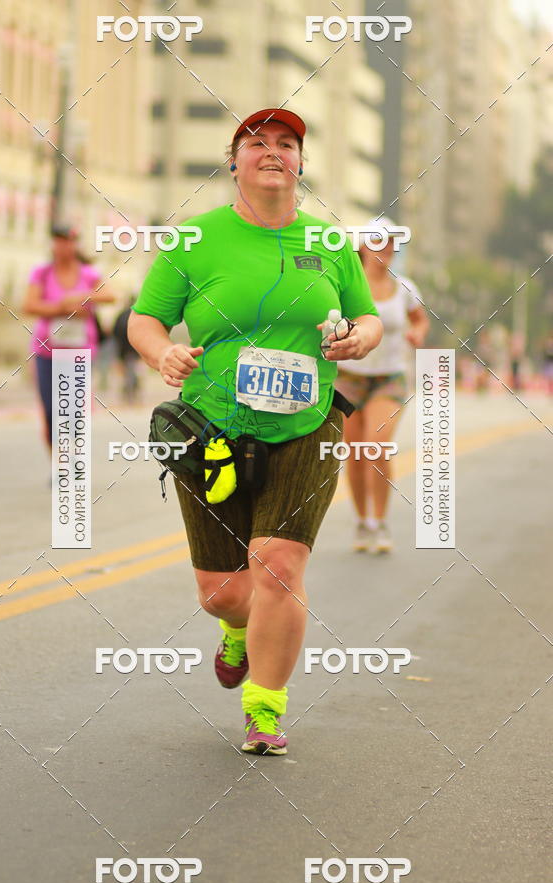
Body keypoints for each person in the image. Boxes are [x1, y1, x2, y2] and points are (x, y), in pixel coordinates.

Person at [128, 108, 383, 755]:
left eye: (287, 143)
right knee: (224, 592)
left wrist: (358, 339)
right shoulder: (195, 238)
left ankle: (264, 711)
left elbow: (368, 318)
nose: (273, 151)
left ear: (301, 163)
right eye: (257, 142)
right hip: (210, 429)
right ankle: (239, 631)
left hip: (305, 424)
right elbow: (144, 320)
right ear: (233, 160)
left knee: (277, 567)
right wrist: (163, 354)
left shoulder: (328, 243)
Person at [335, 217, 429, 553]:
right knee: (356, 454)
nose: (384, 248)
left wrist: (417, 334)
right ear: (362, 246)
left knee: (375, 445)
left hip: (389, 377)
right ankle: (364, 522)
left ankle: (381, 519)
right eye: (377, 241)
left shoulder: (404, 287)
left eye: (390, 242)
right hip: (347, 377)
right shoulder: (347, 284)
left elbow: (420, 317)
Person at [22, 226, 115, 450]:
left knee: (73, 412)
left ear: (76, 244)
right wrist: (62, 308)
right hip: (47, 351)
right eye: (60, 241)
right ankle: (59, 466)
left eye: (69, 241)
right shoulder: (42, 273)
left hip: (80, 351)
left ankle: (71, 458)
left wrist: (84, 296)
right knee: (51, 411)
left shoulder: (88, 274)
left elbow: (111, 295)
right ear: (53, 244)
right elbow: (29, 305)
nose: (64, 247)